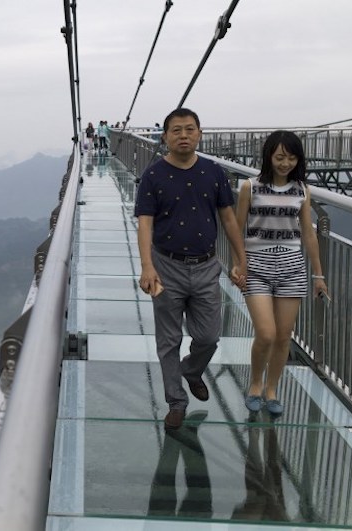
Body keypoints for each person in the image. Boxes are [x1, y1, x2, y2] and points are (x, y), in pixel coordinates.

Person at [135, 107, 247, 430]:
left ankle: (192, 369)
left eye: (189, 129)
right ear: (165, 136)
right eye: (176, 130)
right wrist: (147, 266)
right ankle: (176, 402)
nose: (183, 135)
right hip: (166, 265)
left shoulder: (213, 172)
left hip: (206, 265)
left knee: (209, 336)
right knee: (168, 339)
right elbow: (145, 224)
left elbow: (228, 218)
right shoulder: (153, 176)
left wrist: (241, 259)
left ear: (199, 134)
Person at [235, 130, 329, 415]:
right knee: (265, 333)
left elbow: (309, 235)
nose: (285, 163)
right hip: (257, 266)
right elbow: (236, 228)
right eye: (279, 157)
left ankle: (272, 390)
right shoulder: (249, 187)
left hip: (291, 268)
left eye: (290, 157)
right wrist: (238, 263)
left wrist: (318, 274)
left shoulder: (302, 190)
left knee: (284, 336)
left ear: (298, 159)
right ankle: (255, 384)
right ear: (268, 157)